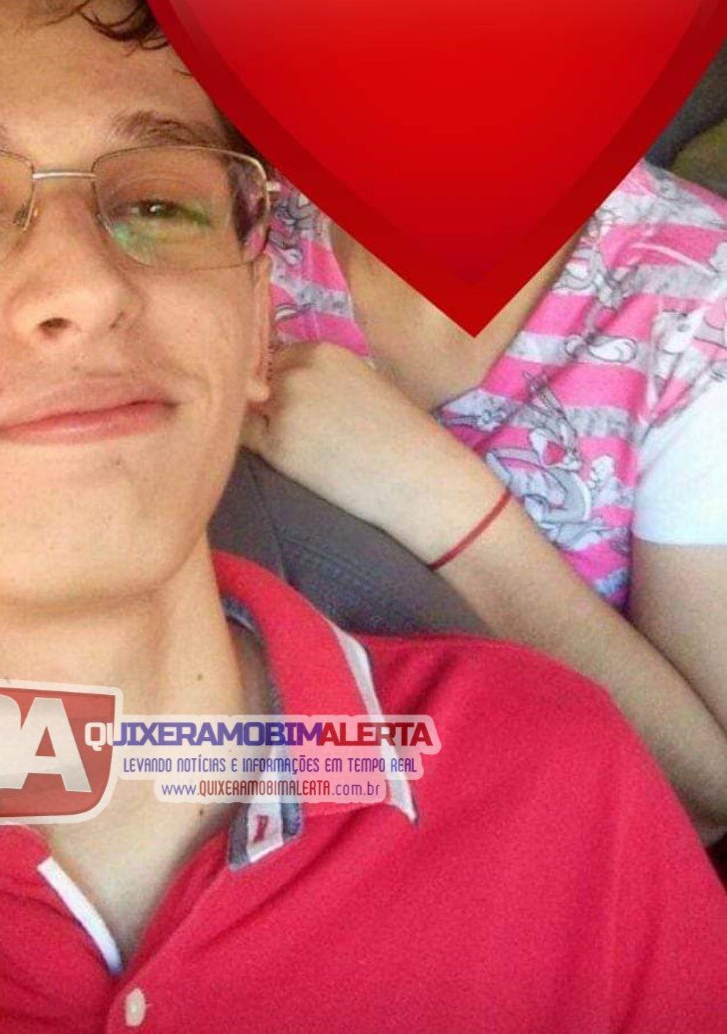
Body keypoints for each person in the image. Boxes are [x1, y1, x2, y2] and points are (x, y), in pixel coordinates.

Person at [0, 0, 727, 1032]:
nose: (83, 283)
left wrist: (444, 500)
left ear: (256, 314)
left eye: (153, 202)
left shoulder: (556, 783)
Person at [247, 157, 727, 840]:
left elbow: (708, 792)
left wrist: (442, 502)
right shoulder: (240, 240)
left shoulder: (696, 302)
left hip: (540, 854)